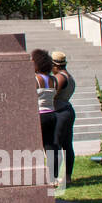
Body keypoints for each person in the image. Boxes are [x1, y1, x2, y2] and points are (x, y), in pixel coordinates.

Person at [32, 49, 62, 183]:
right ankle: (53, 176)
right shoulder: (53, 80)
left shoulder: (36, 79)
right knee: (50, 145)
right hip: (52, 114)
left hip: (40, 115)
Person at [50, 50, 76, 185]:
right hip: (67, 110)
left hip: (60, 112)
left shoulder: (60, 78)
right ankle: (68, 176)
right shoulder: (69, 76)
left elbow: (52, 95)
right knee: (67, 145)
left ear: (55, 65)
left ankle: (53, 177)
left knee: (56, 145)